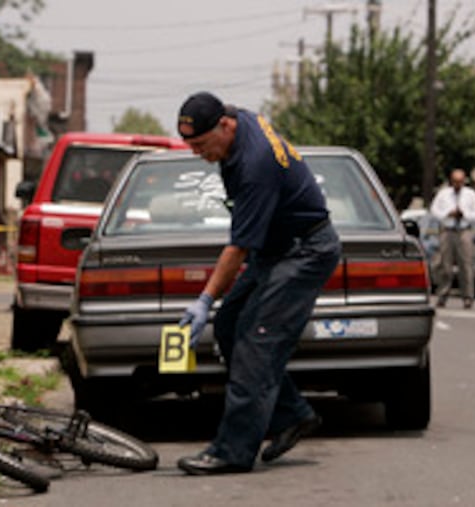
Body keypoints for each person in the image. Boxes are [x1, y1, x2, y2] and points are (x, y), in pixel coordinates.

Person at [174, 91, 341, 475]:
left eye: (201, 145)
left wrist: (204, 298)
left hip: (304, 251)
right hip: (279, 249)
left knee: (256, 342)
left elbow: (238, 249)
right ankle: (292, 415)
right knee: (231, 325)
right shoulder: (237, 123)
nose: (197, 153)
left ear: (225, 126)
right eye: (191, 145)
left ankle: (232, 451)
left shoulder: (255, 165)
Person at [429, 168, 475, 309]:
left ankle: (468, 297)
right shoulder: (443, 194)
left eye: (460, 181)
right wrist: (448, 213)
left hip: (464, 231)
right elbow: (434, 211)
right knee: (445, 266)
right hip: (447, 231)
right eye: (455, 181)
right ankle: (443, 295)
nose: (458, 184)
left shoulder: (470, 194)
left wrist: (464, 214)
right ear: (451, 181)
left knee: (466, 265)